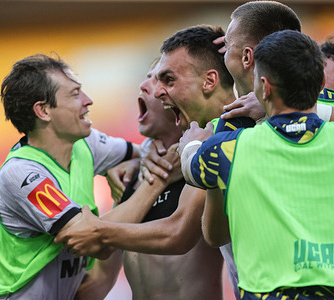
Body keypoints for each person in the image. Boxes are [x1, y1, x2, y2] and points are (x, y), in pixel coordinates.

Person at [178, 29, 334, 300]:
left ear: (265, 87)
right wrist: (318, 108)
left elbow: (191, 166)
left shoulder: (230, 149)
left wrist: (192, 142)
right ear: (317, 85)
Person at [55, 25, 233, 299]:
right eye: (151, 78)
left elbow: (177, 234)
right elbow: (101, 278)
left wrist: (97, 229)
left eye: (164, 79)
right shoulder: (134, 173)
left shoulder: (201, 157)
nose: (150, 87)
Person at [0, 53, 163, 299]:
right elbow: (96, 242)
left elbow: (142, 151)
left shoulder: (85, 144)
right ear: (43, 111)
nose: (88, 100)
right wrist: (158, 180)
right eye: (74, 94)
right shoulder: (22, 176)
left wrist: (132, 162)